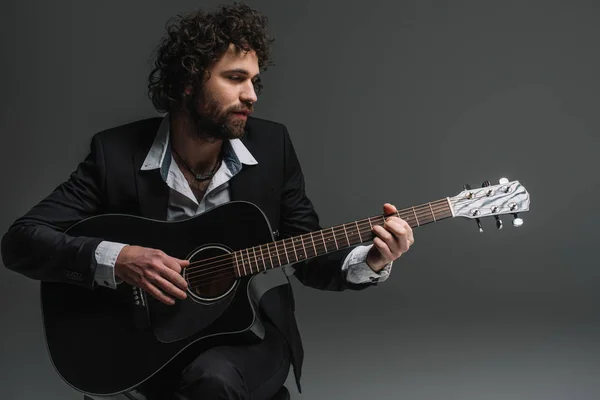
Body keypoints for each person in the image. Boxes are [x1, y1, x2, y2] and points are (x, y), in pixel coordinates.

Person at [1, 3, 414, 400]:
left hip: (247, 333)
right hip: (143, 341)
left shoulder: (273, 148)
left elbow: (306, 253)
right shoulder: (116, 154)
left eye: (255, 81)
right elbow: (21, 241)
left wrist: (373, 260)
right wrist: (119, 258)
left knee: (211, 381)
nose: (252, 95)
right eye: (235, 78)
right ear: (188, 81)